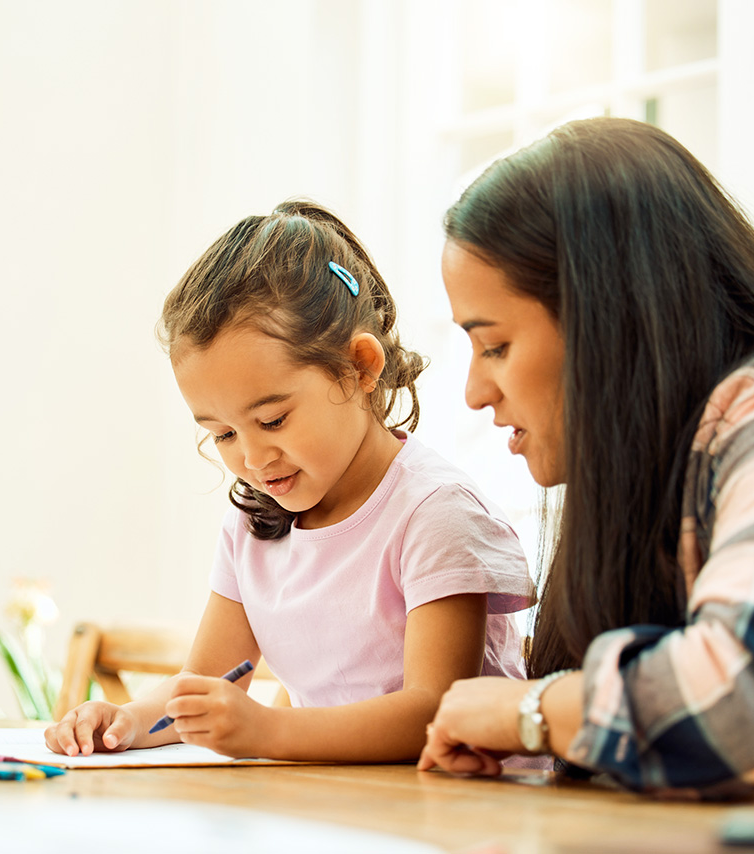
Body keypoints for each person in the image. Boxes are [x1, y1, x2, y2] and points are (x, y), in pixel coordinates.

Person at [417, 116, 754, 803]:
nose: (475, 392)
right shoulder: (655, 477)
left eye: (494, 346)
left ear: (607, 319)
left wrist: (531, 712)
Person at [46, 199, 535, 763]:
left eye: (272, 420)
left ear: (360, 367)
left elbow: (435, 711)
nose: (252, 458)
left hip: (467, 814)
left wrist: (269, 731)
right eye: (223, 434)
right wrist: (124, 722)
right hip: (343, 805)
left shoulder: (434, 513)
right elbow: (205, 682)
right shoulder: (254, 523)